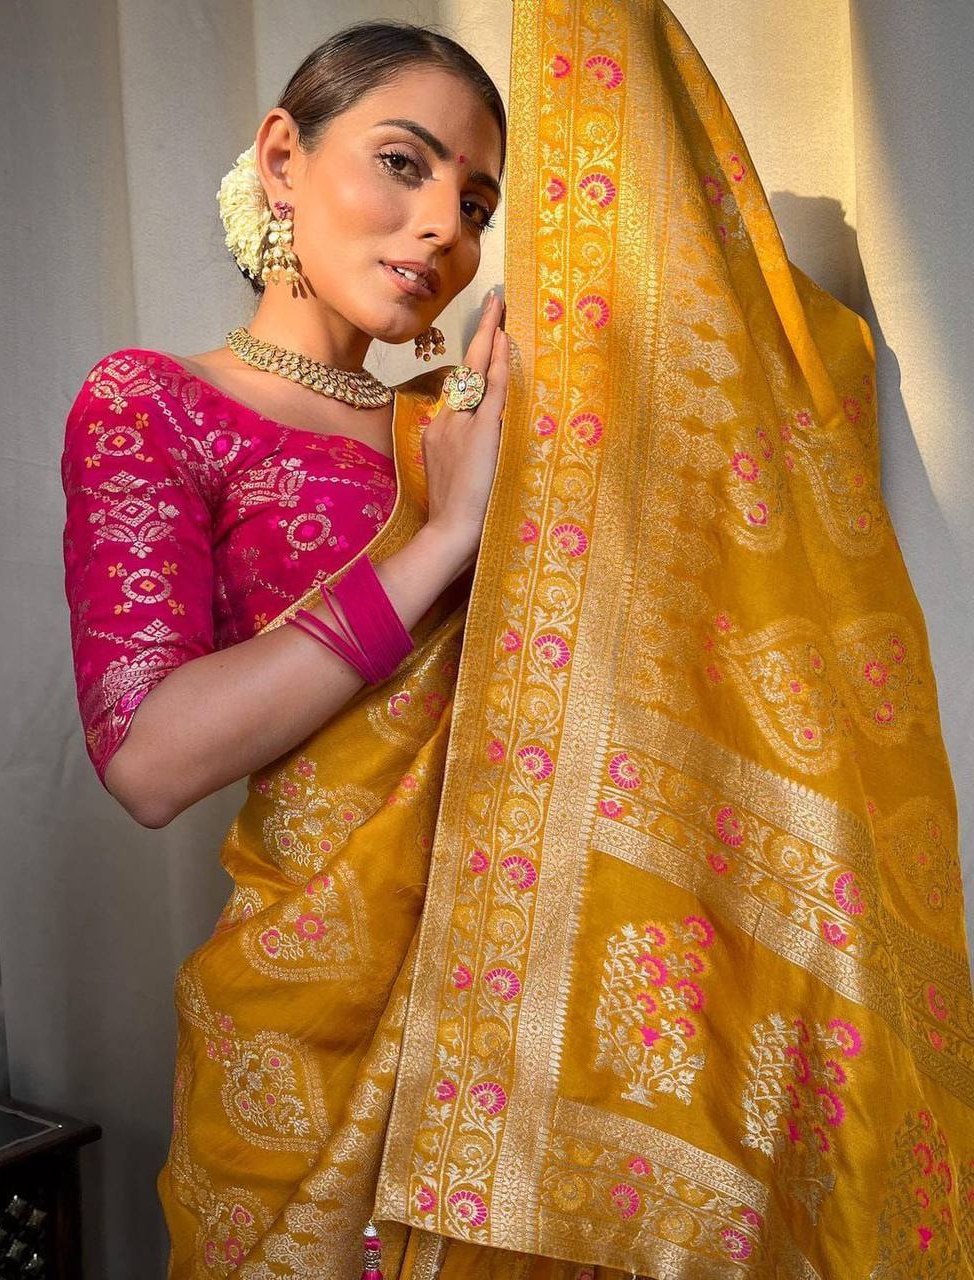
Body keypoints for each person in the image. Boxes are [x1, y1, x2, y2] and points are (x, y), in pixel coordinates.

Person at [62, 4, 974, 1279]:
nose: (443, 225)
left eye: (480, 201)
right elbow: (150, 758)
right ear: (282, 157)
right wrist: (439, 541)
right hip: (310, 1033)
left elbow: (721, 433)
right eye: (401, 161)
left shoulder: (475, 418)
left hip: (516, 1031)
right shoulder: (154, 402)